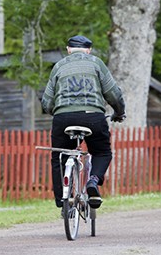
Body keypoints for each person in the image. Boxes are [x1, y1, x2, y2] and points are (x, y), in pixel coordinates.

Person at [41, 35, 126, 211]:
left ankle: (63, 201)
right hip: (92, 117)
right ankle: (93, 181)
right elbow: (113, 94)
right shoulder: (96, 63)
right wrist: (119, 112)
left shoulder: (58, 66)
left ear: (68, 50)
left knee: (59, 157)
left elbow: (46, 103)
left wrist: (58, 112)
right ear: (88, 50)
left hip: (63, 119)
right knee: (102, 152)